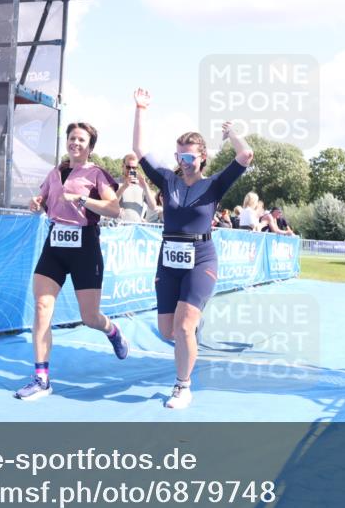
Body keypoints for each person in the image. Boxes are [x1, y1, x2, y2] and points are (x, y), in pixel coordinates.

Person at [132, 87, 253, 409]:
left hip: (201, 258)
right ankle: (191, 335)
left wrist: (233, 133)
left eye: (189, 157)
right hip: (168, 258)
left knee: (184, 326)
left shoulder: (214, 184)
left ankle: (182, 386)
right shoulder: (167, 181)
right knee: (168, 330)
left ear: (201, 157)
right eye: (179, 156)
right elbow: (139, 148)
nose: (183, 162)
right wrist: (141, 109)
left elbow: (245, 156)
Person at [14, 122, 129, 401]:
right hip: (55, 243)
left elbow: (114, 209)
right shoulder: (55, 172)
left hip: (85, 246)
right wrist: (36, 202)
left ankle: (112, 331)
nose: (75, 143)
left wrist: (82, 199)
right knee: (42, 307)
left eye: (81, 139)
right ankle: (41, 379)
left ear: (90, 146)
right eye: (72, 138)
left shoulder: (97, 173)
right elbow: (44, 200)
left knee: (90, 317)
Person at [115, 152, 157, 222]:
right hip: (119, 229)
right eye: (128, 167)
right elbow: (110, 203)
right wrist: (124, 186)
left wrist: (145, 186)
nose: (131, 170)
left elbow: (153, 206)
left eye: (134, 168)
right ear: (122, 166)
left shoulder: (141, 185)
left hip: (136, 228)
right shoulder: (115, 182)